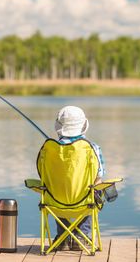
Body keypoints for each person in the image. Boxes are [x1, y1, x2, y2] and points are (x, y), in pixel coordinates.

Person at [53, 105, 105, 251]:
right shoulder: (92, 148)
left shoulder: (50, 149)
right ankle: (82, 236)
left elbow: (45, 178)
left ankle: (62, 237)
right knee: (95, 189)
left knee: (56, 189)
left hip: (55, 202)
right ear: (83, 125)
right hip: (84, 202)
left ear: (58, 125)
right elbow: (99, 177)